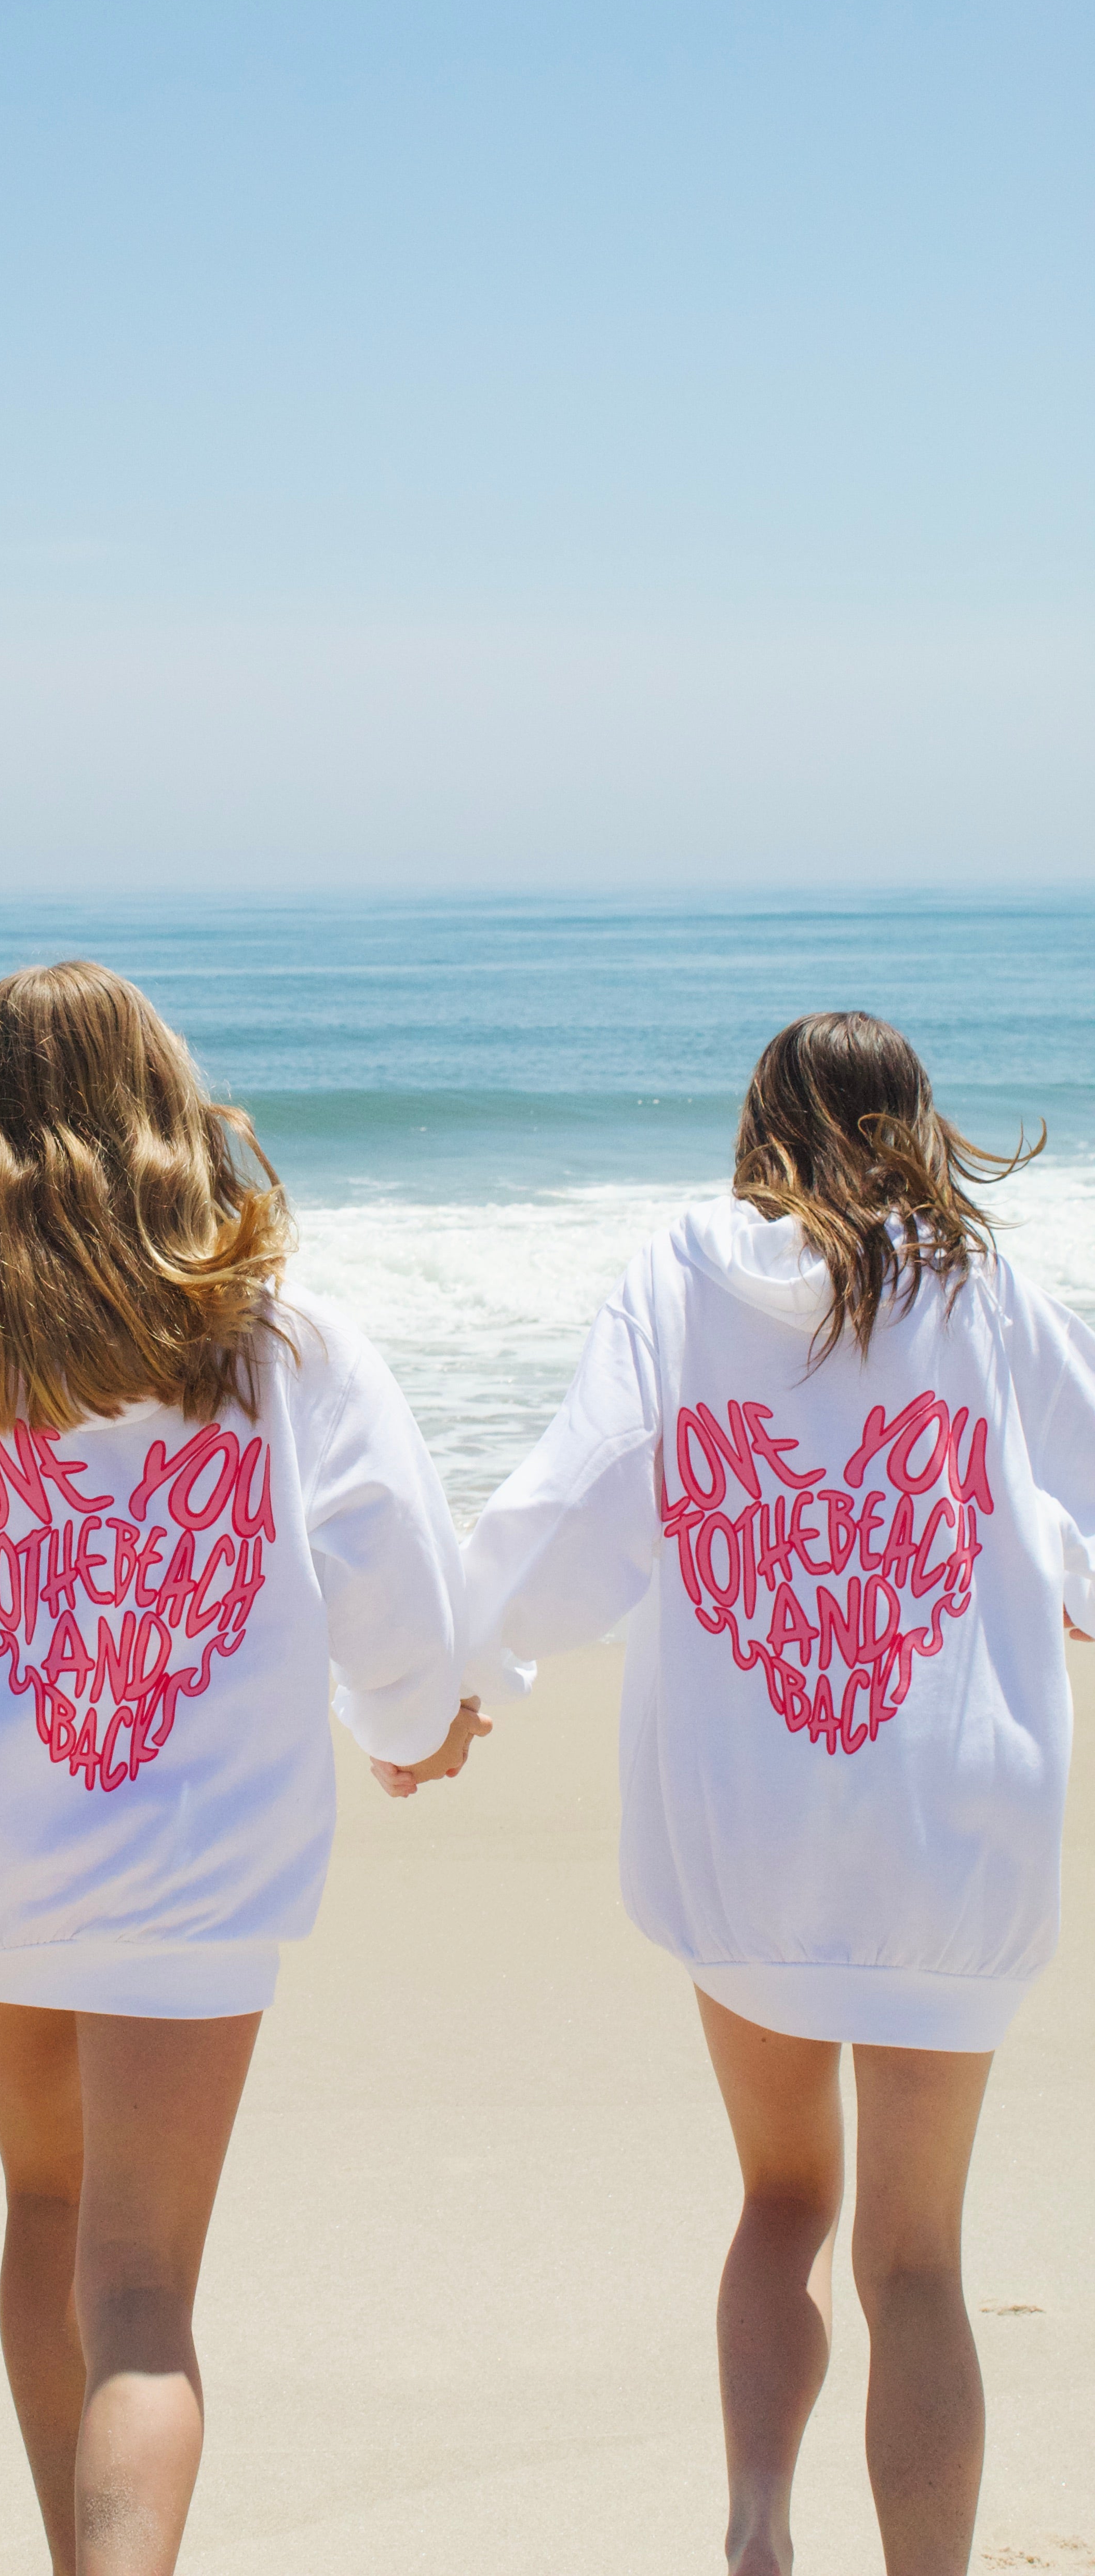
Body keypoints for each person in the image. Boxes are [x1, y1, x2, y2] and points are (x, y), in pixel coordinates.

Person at [0, 959, 484, 2576]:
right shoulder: (278, 1335)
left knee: (44, 2207)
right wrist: (413, 1727)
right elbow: (392, 1574)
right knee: (140, 2291)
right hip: (198, 1856)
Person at [441, 1011, 1095, 2576]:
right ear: (918, 1128)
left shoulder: (680, 1273)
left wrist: (462, 1677)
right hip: (956, 1821)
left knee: (785, 2198)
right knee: (918, 2260)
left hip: (753, 1816)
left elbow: (581, 1495)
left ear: (759, 1129)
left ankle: (756, 2532)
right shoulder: (984, 1287)